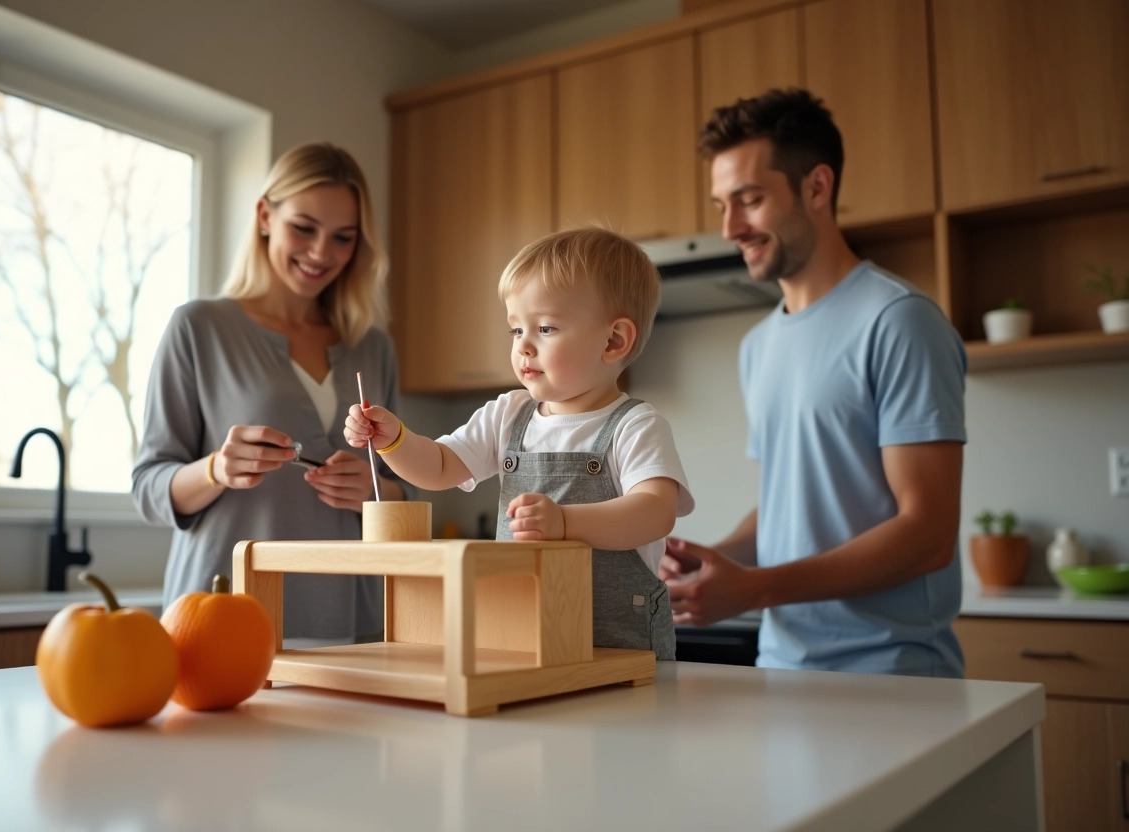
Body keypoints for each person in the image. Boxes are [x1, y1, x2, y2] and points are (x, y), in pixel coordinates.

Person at [661, 88, 967, 677]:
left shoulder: (898, 320)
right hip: (782, 669)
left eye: (749, 200)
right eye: (721, 204)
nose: (730, 228)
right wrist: (715, 560)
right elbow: (789, 504)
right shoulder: (759, 346)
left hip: (892, 676)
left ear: (817, 187)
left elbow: (927, 532)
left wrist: (753, 590)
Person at [344, 228, 695, 659]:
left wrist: (564, 523)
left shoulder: (635, 425)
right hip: (522, 642)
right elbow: (439, 466)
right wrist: (393, 439)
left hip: (618, 651)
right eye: (515, 330)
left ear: (613, 340)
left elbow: (655, 512)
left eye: (544, 328)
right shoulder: (509, 414)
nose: (523, 346)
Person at [132, 142, 415, 641]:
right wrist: (217, 468)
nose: (321, 254)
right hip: (223, 610)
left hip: (354, 620)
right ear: (265, 215)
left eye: (343, 238)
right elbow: (150, 489)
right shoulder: (198, 328)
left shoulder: (373, 348)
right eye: (303, 228)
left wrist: (373, 492)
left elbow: (407, 489)